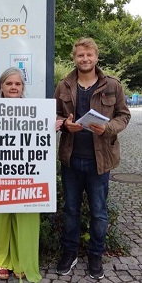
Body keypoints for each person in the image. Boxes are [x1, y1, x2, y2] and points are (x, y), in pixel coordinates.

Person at [0, 67, 62, 282]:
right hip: (0, 176)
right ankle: (2, 262)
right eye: (9, 83)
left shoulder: (37, 111)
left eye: (18, 84)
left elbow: (42, 140)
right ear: (1, 86)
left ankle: (23, 261)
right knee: (0, 217)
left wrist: (53, 127)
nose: (13, 87)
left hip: (28, 178)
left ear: (23, 87)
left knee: (27, 217)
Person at [53, 38, 131, 280]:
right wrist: (65, 124)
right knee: (71, 210)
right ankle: (70, 252)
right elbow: (55, 115)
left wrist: (108, 127)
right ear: (74, 58)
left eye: (88, 55)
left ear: (96, 57)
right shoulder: (64, 85)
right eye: (80, 55)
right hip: (71, 159)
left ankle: (96, 255)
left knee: (99, 212)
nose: (84, 59)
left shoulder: (113, 85)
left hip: (101, 160)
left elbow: (124, 116)